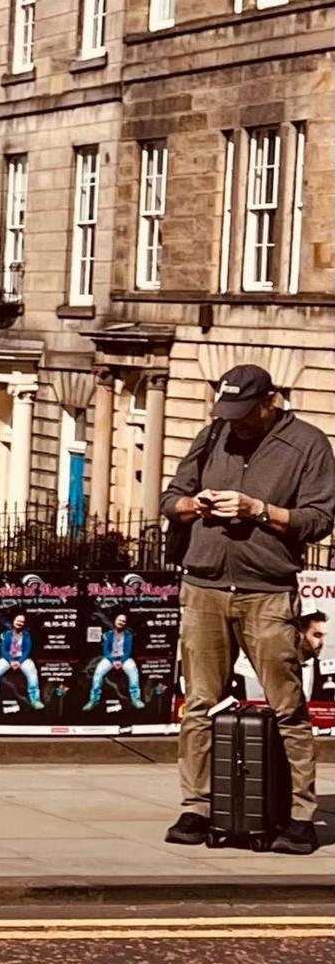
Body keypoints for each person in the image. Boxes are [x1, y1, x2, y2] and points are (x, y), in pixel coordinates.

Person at [163, 364, 333, 856]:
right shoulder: (213, 433)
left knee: (287, 707)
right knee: (199, 703)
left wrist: (258, 510)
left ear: (269, 402)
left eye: (243, 413)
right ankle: (195, 807)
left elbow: (319, 519)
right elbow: (171, 499)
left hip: (267, 589)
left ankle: (301, 815)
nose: (234, 423)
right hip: (204, 585)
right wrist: (196, 505)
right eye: (226, 412)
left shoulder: (308, 444)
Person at [82, 608, 143, 712]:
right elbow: (106, 650)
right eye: (119, 620)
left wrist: (121, 661)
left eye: (123, 621)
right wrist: (113, 660)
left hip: (124, 659)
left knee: (133, 673)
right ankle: (93, 700)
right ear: (115, 621)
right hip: (110, 659)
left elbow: (128, 651)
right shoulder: (109, 634)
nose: (121, 623)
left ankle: (136, 699)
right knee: (97, 675)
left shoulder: (128, 635)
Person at [0, 610, 43, 710]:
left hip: (22, 659)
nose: (19, 623)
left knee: (32, 672)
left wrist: (19, 661)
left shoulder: (26, 635)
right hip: (8, 659)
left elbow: (27, 650)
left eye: (22, 622)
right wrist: (10, 661)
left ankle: (35, 700)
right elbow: (3, 649)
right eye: (18, 620)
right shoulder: (8, 634)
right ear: (13, 621)